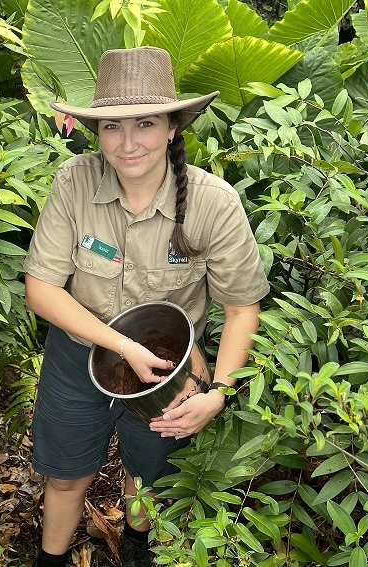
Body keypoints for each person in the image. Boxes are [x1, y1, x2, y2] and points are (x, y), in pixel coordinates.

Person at [23, 46, 269, 567]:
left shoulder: (212, 202)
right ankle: (50, 559)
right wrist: (119, 344)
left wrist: (220, 390)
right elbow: (41, 288)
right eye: (112, 126)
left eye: (145, 124)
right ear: (96, 131)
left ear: (173, 128)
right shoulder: (74, 182)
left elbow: (242, 305)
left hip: (171, 366)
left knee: (149, 474)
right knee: (66, 473)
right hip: (79, 354)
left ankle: (136, 547)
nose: (128, 143)